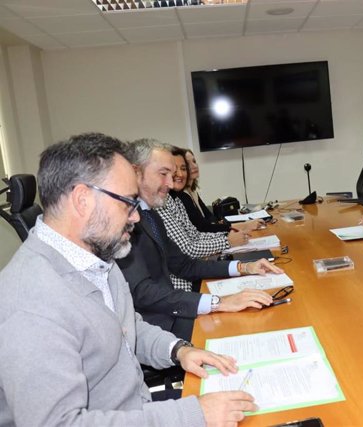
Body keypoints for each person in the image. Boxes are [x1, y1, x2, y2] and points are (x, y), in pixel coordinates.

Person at [0, 132, 257, 426]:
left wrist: (178, 350)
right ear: (83, 200)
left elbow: (124, 327)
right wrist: (192, 415)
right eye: (127, 202)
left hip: (137, 407)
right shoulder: (31, 303)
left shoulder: (96, 259)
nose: (136, 217)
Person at [117, 139, 282, 341]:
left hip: (173, 312)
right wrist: (218, 302)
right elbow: (142, 292)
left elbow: (184, 265)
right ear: (136, 172)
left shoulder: (150, 215)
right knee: (250, 331)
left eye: (172, 174)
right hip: (155, 329)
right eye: (163, 174)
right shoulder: (124, 221)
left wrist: (243, 268)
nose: (170, 183)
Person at [157, 147, 248, 292]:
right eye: (171, 170)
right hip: (184, 287)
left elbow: (195, 234)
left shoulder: (174, 200)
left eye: (183, 168)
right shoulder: (159, 204)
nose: (179, 174)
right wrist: (227, 240)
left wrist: (227, 234)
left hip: (193, 274)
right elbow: (188, 250)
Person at [178, 148, 263, 233]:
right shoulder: (182, 196)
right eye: (188, 164)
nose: (194, 166)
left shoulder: (192, 191)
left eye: (194, 161)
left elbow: (209, 215)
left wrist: (217, 223)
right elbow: (203, 227)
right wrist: (245, 225)